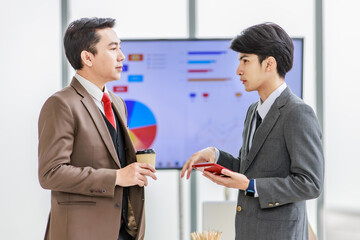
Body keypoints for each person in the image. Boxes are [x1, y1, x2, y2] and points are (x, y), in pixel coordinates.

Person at [181, 22, 324, 240]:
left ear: (269, 64)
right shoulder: (253, 111)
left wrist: (250, 186)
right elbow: (249, 169)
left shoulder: (297, 113)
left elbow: (310, 184)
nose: (238, 70)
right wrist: (215, 155)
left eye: (245, 60)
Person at [38, 17, 157, 240]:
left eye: (120, 48)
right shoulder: (61, 104)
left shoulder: (117, 103)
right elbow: (50, 173)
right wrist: (116, 177)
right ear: (87, 57)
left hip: (122, 231)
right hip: (81, 232)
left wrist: (134, 170)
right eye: (113, 49)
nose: (122, 56)